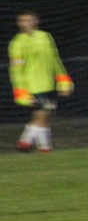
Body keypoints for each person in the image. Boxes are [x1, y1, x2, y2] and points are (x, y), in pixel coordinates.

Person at [8, 10, 73, 152]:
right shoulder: (17, 43)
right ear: (19, 23)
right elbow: (16, 70)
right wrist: (21, 92)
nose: (27, 23)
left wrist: (64, 81)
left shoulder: (45, 37)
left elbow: (55, 60)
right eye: (24, 20)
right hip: (32, 86)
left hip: (48, 84)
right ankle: (43, 147)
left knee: (46, 116)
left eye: (30, 20)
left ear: (37, 21)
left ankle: (26, 143)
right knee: (42, 117)